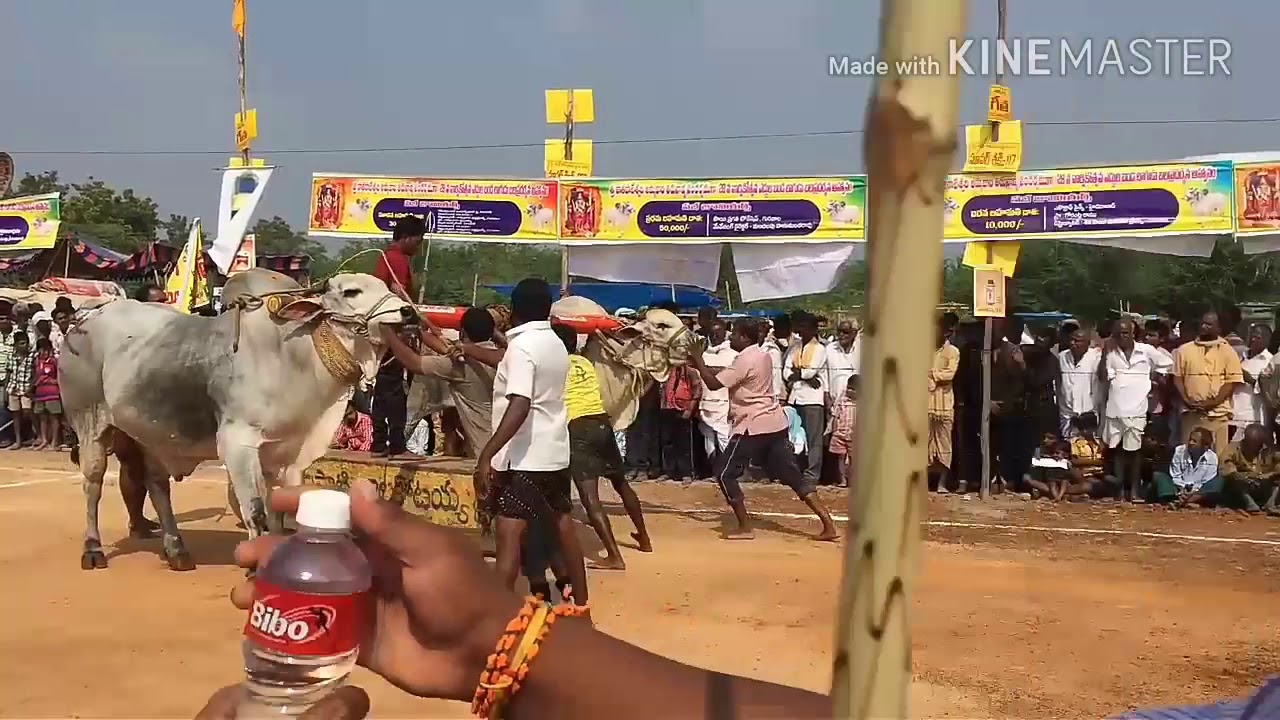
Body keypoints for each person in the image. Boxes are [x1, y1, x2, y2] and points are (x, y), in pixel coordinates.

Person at [208, 481, 834, 720]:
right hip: (548, 469)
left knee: (524, 539)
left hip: (517, 471)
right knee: (555, 528)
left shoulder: (517, 354)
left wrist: (492, 637)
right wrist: (488, 635)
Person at [459, 278, 589, 608]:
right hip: (555, 454)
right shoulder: (554, 343)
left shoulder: (522, 348)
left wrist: (487, 454)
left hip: (524, 459)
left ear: (515, 309)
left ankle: (490, 617)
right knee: (563, 527)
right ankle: (581, 604)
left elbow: (520, 403)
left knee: (508, 540)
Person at [686, 320, 839, 541]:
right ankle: (828, 523)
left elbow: (715, 384)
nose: (731, 338)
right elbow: (732, 373)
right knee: (793, 476)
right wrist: (700, 365)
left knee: (724, 473)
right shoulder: (761, 355)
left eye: (735, 335)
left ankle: (745, 526)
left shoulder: (744, 359)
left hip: (752, 425)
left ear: (745, 338)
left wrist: (699, 360)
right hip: (774, 423)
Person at [552, 323, 652, 569]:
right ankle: (644, 537)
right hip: (600, 422)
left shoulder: (554, 366)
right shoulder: (584, 363)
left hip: (578, 428)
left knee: (590, 499)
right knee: (620, 483)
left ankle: (614, 557)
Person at [1098, 319, 1172, 503]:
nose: (1121, 337)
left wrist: (1152, 380)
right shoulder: (1111, 353)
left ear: (1133, 334)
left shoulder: (1146, 351)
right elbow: (1102, 377)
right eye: (1117, 334)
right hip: (1115, 408)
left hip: (1138, 407)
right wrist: (1104, 354)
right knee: (1118, 451)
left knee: (1136, 451)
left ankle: (1134, 490)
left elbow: (1168, 365)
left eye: (1125, 333)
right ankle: (1120, 490)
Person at [370, 217, 426, 457]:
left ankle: (379, 443)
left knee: (383, 387)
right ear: (407, 238)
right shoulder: (397, 260)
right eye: (418, 241)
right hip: (394, 332)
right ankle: (395, 444)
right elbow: (399, 294)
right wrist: (410, 329)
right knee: (394, 388)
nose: (418, 247)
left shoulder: (385, 257)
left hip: (382, 331)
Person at [1173, 311, 1243, 453]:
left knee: (1217, 457)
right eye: (1203, 323)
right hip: (1191, 413)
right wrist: (1187, 400)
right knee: (1188, 455)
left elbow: (1231, 382)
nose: (1204, 327)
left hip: (1217, 415)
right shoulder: (1183, 350)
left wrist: (1211, 403)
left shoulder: (1228, 351)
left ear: (1219, 328)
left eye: (1209, 324)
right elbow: (1177, 378)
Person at [783, 311, 828, 485]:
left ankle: (812, 474)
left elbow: (811, 370)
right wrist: (803, 375)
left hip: (812, 399)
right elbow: (787, 373)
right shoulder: (795, 348)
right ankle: (796, 470)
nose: (802, 330)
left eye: (805, 327)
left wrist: (800, 374)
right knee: (794, 436)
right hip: (796, 397)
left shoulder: (820, 349)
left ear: (813, 329)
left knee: (813, 439)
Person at [697, 319, 737, 470]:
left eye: (718, 333)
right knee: (709, 439)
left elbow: (729, 374)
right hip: (705, 402)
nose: (715, 337)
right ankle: (716, 471)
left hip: (724, 403)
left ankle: (730, 471)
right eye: (712, 334)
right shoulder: (703, 354)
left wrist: (704, 368)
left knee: (724, 438)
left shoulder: (733, 354)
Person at [1217, 423, 1280, 515]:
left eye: (1256, 443)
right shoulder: (1232, 448)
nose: (1252, 447)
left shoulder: (1271, 450)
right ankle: (1250, 504)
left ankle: (1270, 504)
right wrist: (1241, 476)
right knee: (1233, 480)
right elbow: (1225, 467)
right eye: (1249, 442)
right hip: (1242, 487)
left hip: (1265, 485)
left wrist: (1269, 475)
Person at [928, 318, 960, 493]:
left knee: (944, 445)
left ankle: (942, 484)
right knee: (924, 445)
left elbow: (950, 374)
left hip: (944, 405)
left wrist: (932, 374)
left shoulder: (953, 351)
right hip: (926, 404)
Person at [658, 356, 701, 483]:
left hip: (683, 408)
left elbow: (697, 390)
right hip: (667, 407)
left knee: (684, 442)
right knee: (667, 442)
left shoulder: (690, 371)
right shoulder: (665, 370)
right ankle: (669, 471)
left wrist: (690, 409)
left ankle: (686, 472)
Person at [1157, 427, 1220, 507]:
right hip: (1178, 488)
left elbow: (1207, 481)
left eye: (1194, 441)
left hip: (1198, 492)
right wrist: (1182, 489)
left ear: (1205, 446)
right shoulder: (1179, 451)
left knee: (1217, 483)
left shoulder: (1212, 458)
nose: (1190, 443)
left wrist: (1193, 492)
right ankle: (1179, 500)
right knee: (1159, 477)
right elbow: (1175, 475)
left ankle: (1186, 501)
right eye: (1190, 439)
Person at [1057, 327, 1103, 438]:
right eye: (1071, 340)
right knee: (1068, 444)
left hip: (1089, 412)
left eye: (1077, 341)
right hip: (1067, 411)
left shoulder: (1097, 357)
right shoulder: (1061, 357)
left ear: (1087, 343)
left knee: (1086, 447)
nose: (1073, 343)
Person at [1231, 324, 1272, 443]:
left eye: (1258, 337)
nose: (1253, 339)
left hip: (1253, 418)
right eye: (1252, 336)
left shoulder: (1269, 361)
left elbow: (1269, 392)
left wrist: (1250, 380)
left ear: (1267, 340)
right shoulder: (1239, 357)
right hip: (1234, 415)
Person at [825, 376, 857, 488]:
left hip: (855, 436)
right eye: (849, 388)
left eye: (853, 389)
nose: (850, 391)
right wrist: (834, 431)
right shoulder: (842, 401)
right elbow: (835, 416)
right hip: (840, 434)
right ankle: (842, 480)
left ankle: (852, 480)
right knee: (840, 457)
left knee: (854, 459)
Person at [30, 337, 61, 451]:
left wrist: (54, 381)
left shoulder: (54, 361)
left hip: (52, 393)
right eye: (41, 350)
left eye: (46, 350)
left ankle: (55, 442)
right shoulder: (37, 362)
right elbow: (34, 377)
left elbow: (59, 376)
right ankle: (44, 440)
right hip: (40, 393)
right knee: (42, 417)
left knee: (54, 417)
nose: (43, 353)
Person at [4, 332, 33, 449]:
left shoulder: (32, 356)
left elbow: (35, 372)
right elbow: (8, 373)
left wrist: (32, 387)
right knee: (15, 415)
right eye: (21, 343)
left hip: (26, 388)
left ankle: (31, 436)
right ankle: (18, 440)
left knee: (27, 412)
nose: (24, 346)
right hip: (13, 388)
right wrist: (6, 391)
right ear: (16, 345)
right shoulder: (11, 357)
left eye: (26, 343)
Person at [1024, 431, 1072, 501]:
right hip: (1045, 478)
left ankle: (1059, 495)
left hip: (1061, 477)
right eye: (1045, 438)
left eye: (1050, 438)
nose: (1046, 440)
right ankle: (1055, 495)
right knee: (1026, 478)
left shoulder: (1063, 447)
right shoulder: (1039, 449)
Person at [1067, 412, 1105, 498]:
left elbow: (1104, 461)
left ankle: (1075, 494)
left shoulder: (1100, 443)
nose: (1084, 431)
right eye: (1082, 429)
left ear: (1094, 428)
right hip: (1083, 474)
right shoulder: (1075, 443)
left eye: (1087, 428)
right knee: (1090, 485)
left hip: (1098, 474)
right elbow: (1074, 461)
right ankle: (1065, 491)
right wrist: (1096, 462)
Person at [825, 319, 860, 401]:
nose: (841, 335)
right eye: (839, 332)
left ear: (854, 333)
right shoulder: (829, 349)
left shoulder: (863, 349)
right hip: (836, 402)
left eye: (845, 332)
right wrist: (826, 397)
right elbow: (824, 376)